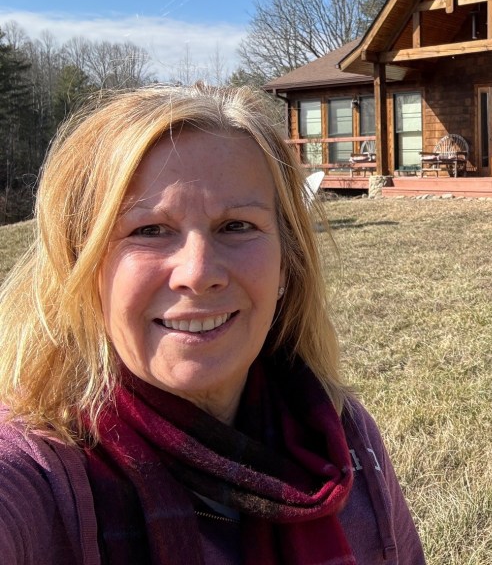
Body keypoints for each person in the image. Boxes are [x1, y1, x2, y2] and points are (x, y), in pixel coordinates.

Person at [0, 84, 425, 565]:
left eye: (237, 226)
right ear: (83, 267)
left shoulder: (342, 437)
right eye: (150, 230)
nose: (198, 273)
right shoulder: (38, 475)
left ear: (287, 263)